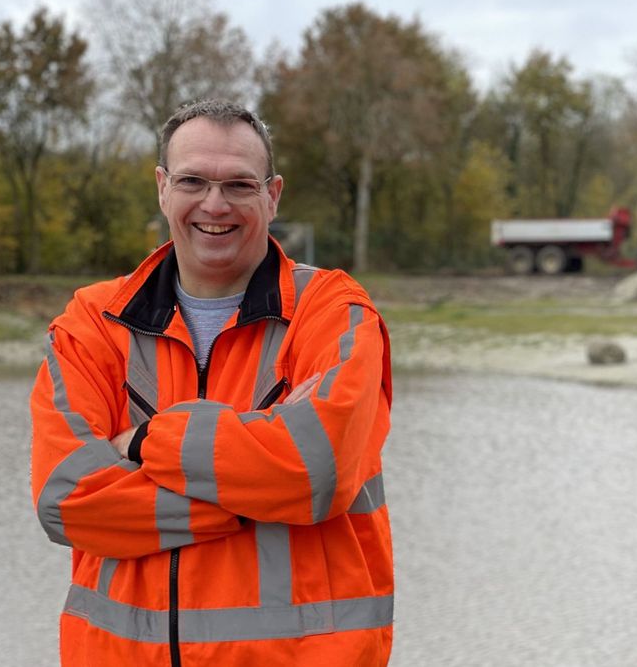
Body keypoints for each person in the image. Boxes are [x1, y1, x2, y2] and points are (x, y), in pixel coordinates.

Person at [30, 99, 394, 666]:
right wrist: (261, 488)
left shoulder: (334, 313)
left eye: (240, 186)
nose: (214, 204)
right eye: (192, 180)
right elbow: (67, 500)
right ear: (162, 188)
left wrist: (144, 443)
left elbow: (319, 470)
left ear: (272, 196)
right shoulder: (91, 324)